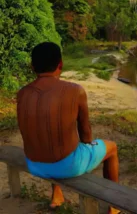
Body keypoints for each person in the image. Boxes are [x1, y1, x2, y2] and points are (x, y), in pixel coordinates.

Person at [17, 42, 120, 214]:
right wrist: (87, 143)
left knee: (50, 138)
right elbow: (86, 135)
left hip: (33, 164)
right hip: (68, 165)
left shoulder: (22, 93)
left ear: (32, 66)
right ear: (61, 64)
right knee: (112, 148)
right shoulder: (75, 90)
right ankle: (114, 206)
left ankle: (57, 194)